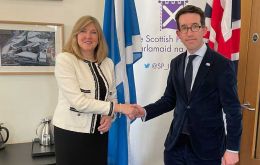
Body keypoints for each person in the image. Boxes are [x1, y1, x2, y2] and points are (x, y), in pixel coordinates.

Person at [135, 5, 242, 165]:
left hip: (208, 150)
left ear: (204, 30)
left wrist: (232, 149)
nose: (189, 32)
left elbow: (233, 110)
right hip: (175, 147)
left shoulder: (222, 65)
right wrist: (144, 111)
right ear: (178, 34)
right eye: (184, 28)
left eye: (195, 26)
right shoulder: (176, 63)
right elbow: (169, 100)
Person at [53, 15, 136, 165]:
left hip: (99, 132)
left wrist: (110, 116)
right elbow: (78, 102)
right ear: (75, 35)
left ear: (99, 37)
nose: (88, 36)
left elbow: (112, 96)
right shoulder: (65, 59)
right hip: (71, 133)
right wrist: (118, 108)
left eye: (94, 32)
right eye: (83, 31)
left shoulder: (107, 63)